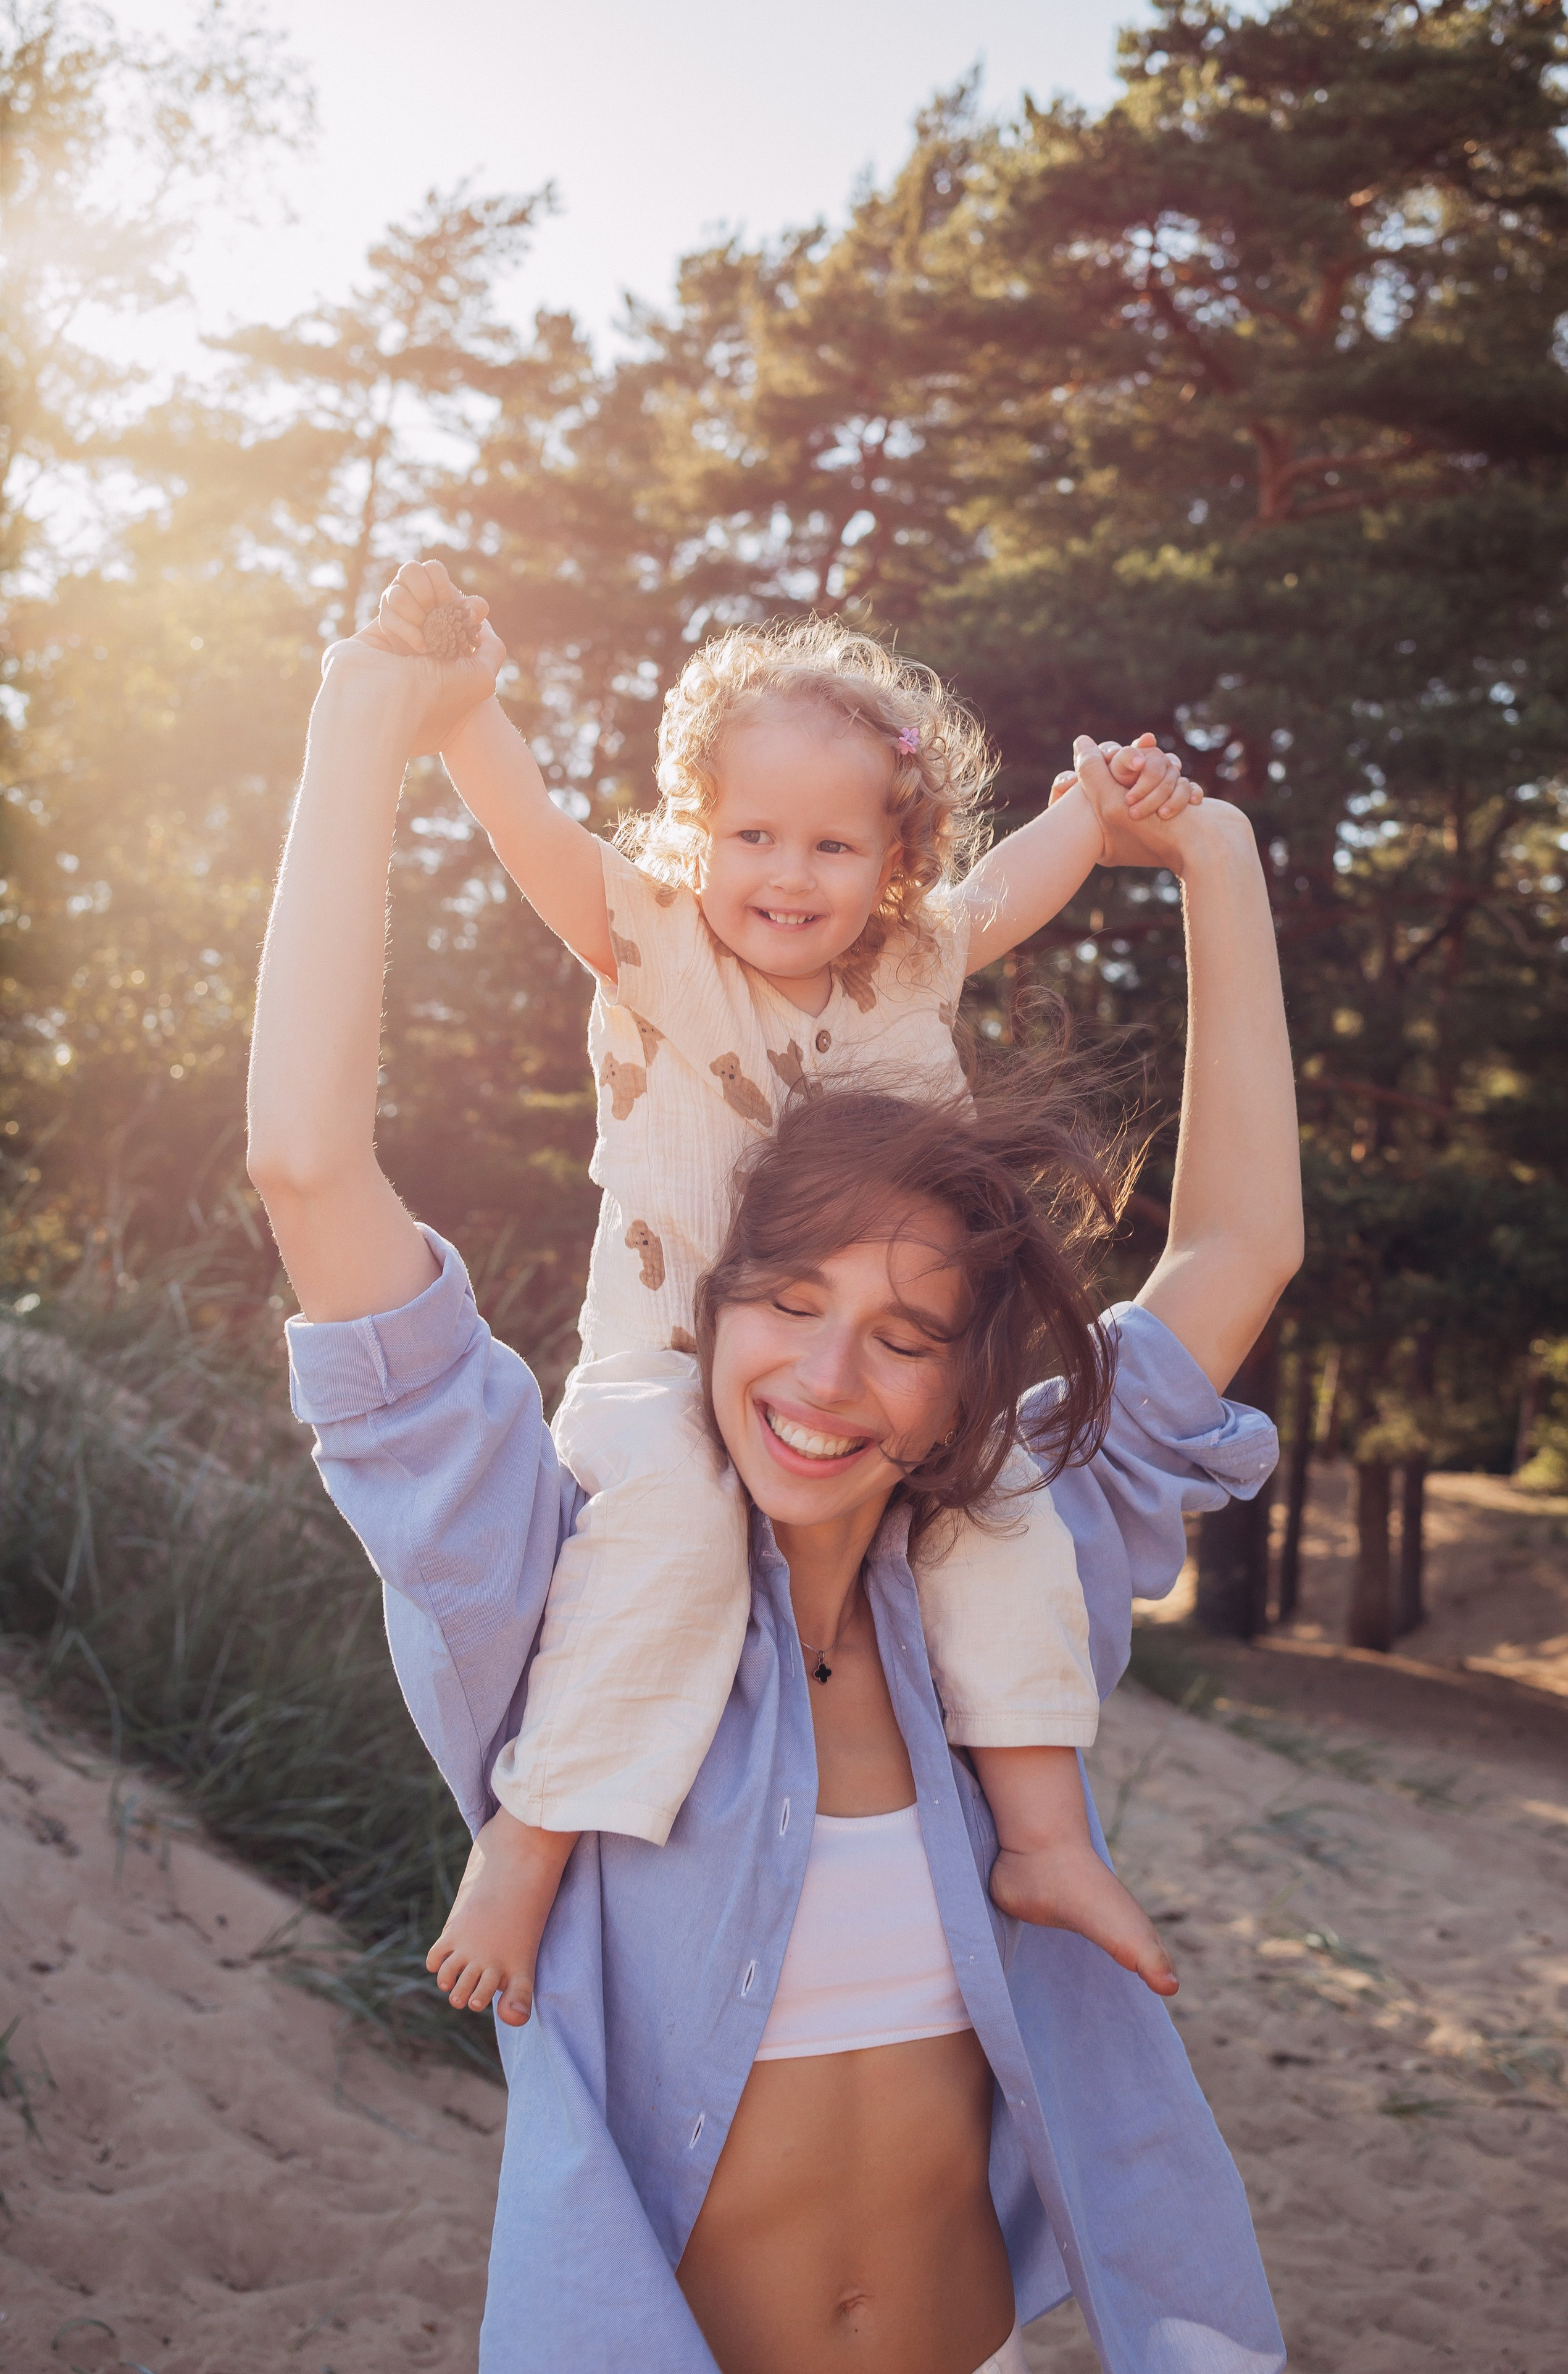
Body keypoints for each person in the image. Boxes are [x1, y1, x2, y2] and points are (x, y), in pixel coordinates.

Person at [246, 609, 1300, 2374]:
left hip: (983, 2350)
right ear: (721, 1285)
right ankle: (527, 1837)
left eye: (905, 1333)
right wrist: (381, 723)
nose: (827, 1378)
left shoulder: (1003, 1554)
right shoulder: (546, 1576)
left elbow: (1241, 1242)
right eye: (790, 1300)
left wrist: (1209, 848)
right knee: (673, 1482)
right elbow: (304, 1161)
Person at [368, 561, 1204, 2026]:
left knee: (995, 1500)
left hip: (864, 1376)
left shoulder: (910, 965)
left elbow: (1021, 879)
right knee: (677, 1523)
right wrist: (465, 711)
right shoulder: (661, 956)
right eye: (750, 833)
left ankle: (1046, 1841)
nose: (787, 873)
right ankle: (533, 1831)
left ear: (895, 859)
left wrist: (1098, 802)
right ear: (697, 833)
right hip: (668, 1364)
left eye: (831, 845)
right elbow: (540, 838)